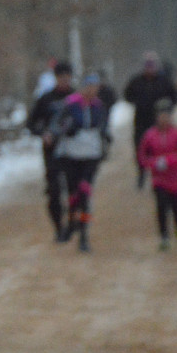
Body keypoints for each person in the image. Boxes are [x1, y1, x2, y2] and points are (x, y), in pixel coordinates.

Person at [50, 73, 111, 252]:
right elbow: (56, 124)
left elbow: (104, 127)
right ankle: (71, 224)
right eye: (89, 86)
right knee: (73, 195)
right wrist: (64, 130)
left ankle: (84, 235)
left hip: (91, 155)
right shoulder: (70, 104)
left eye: (95, 87)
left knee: (85, 193)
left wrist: (105, 139)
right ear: (83, 87)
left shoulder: (99, 106)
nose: (92, 90)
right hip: (71, 155)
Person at [25, 60, 73, 240]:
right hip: (51, 152)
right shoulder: (46, 99)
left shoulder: (76, 97)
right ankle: (58, 227)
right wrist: (43, 133)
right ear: (56, 77)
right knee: (54, 191)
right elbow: (31, 124)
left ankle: (73, 224)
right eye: (61, 76)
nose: (64, 79)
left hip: (73, 152)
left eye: (67, 76)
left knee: (74, 190)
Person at [138, 99, 177, 251]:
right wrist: (154, 163)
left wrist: (171, 160)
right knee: (162, 207)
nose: (163, 119)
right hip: (159, 179)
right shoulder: (149, 135)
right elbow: (142, 157)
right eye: (161, 116)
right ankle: (164, 236)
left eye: (166, 116)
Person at [123, 52, 177, 189]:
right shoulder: (137, 81)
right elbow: (127, 95)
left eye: (152, 65)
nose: (149, 68)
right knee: (140, 148)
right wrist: (137, 102)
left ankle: (162, 175)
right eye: (147, 65)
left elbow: (175, 96)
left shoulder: (164, 81)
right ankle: (141, 173)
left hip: (160, 123)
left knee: (161, 149)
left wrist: (167, 109)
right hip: (141, 121)